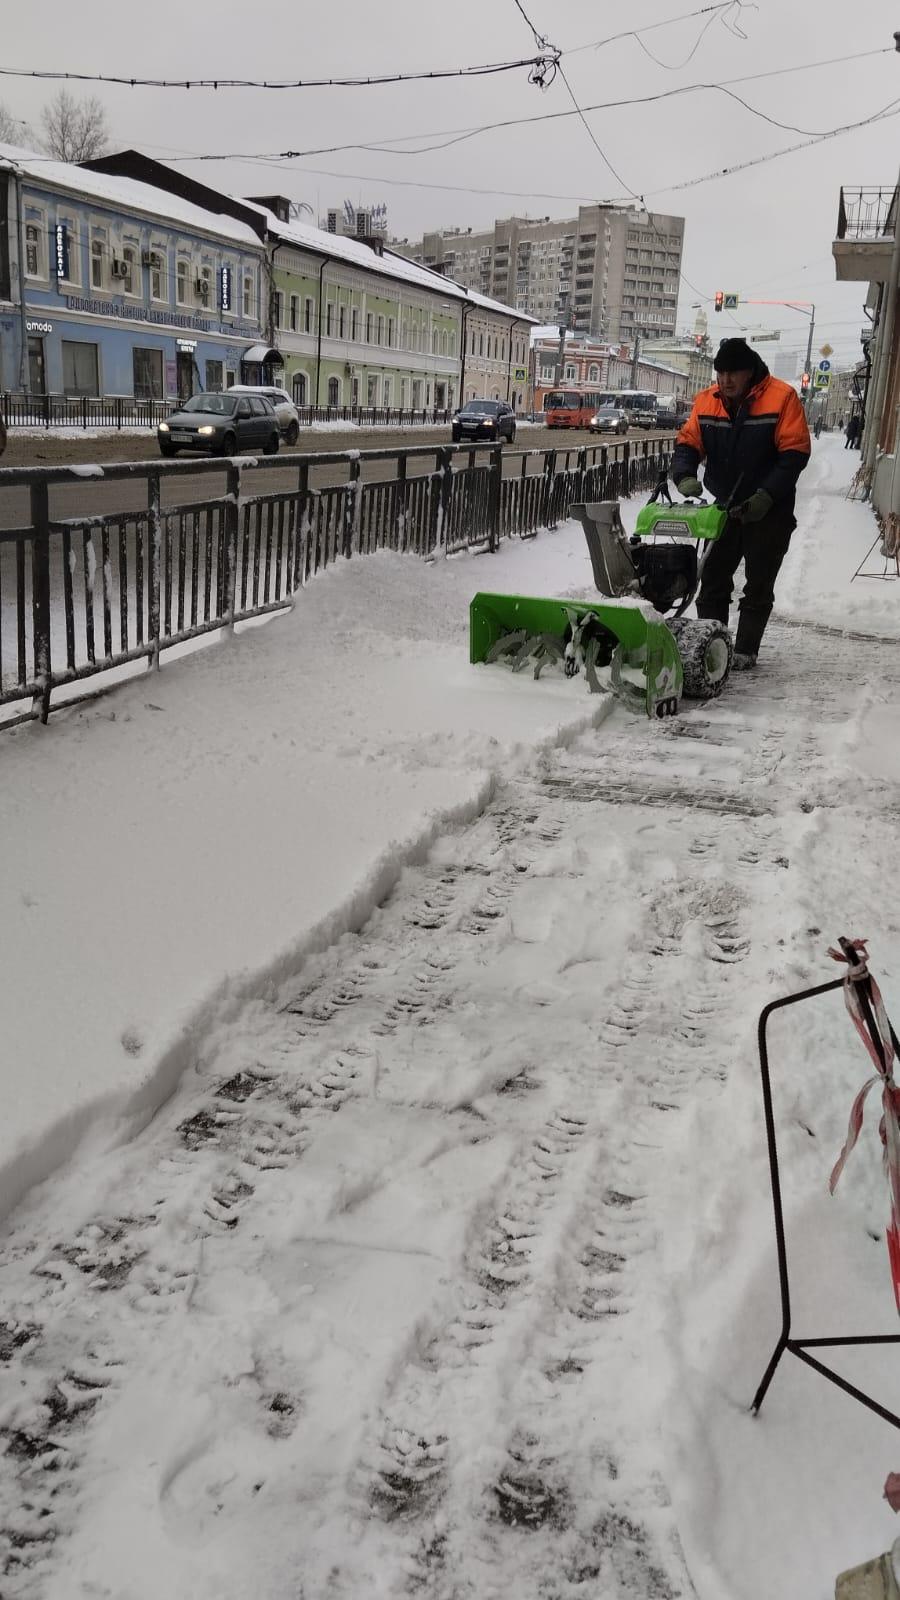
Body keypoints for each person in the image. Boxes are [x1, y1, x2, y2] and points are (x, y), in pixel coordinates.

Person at [672, 337, 810, 670]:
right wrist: (684, 474)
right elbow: (688, 442)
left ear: (749, 372)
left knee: (759, 584)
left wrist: (767, 495)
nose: (725, 380)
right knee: (713, 581)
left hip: (768, 509)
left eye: (733, 373)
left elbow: (794, 453)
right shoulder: (707, 400)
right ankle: (712, 646)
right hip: (724, 507)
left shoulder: (782, 397)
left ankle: (746, 650)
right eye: (720, 373)